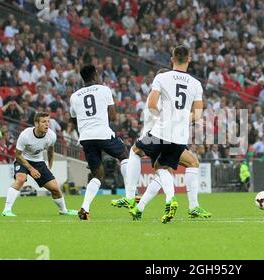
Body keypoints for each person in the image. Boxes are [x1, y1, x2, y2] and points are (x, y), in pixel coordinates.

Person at [111, 68, 211, 219]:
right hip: (161, 135)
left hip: (162, 134)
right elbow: (162, 113)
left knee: (162, 169)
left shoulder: (160, 91)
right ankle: (176, 202)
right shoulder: (163, 95)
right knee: (171, 166)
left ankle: (139, 207)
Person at [126, 45, 203, 223]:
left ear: (172, 58)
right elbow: (197, 115)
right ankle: (143, 207)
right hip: (178, 136)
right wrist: (181, 119)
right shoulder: (195, 84)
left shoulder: (161, 79)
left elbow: (152, 105)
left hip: (160, 132)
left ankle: (136, 200)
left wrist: (166, 119)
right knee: (163, 168)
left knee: (140, 154)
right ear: (189, 59)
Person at [70, 65, 130, 220]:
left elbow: (73, 117)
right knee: (124, 155)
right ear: (95, 75)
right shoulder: (104, 90)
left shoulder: (74, 96)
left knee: (97, 174)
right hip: (102, 133)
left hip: (85, 137)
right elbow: (113, 116)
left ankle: (85, 208)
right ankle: (130, 194)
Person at [1, 112, 77, 217]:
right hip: (23, 160)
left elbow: (51, 149)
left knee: (55, 188)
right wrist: (31, 169)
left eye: (48, 122)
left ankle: (63, 210)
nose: (47, 124)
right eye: (43, 122)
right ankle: (7, 210)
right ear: (36, 124)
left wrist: (50, 165)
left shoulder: (51, 136)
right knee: (20, 179)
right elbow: (18, 155)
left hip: (39, 162)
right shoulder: (25, 135)